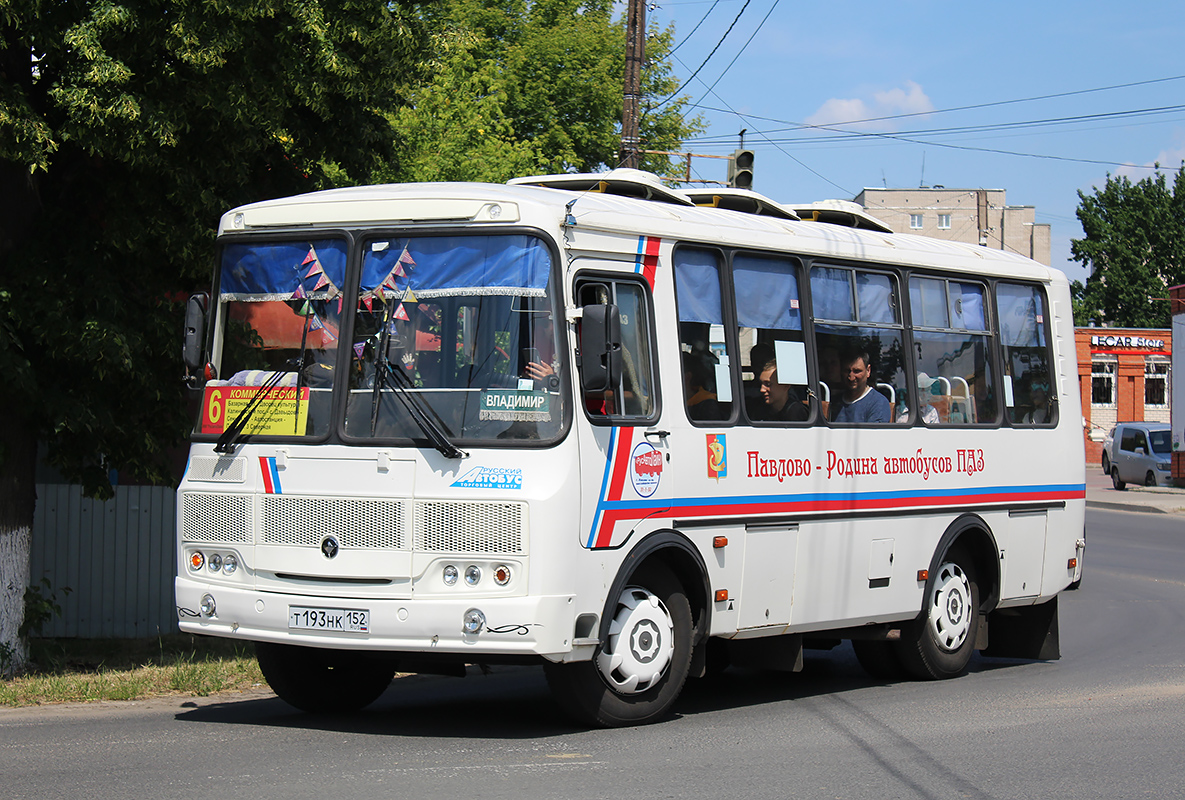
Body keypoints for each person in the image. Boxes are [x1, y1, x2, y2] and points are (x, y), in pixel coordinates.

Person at [830, 350, 891, 423]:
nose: (851, 377)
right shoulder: (834, 402)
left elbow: (874, 434)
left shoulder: (878, 403)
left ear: (868, 371)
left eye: (857, 371)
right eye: (847, 371)